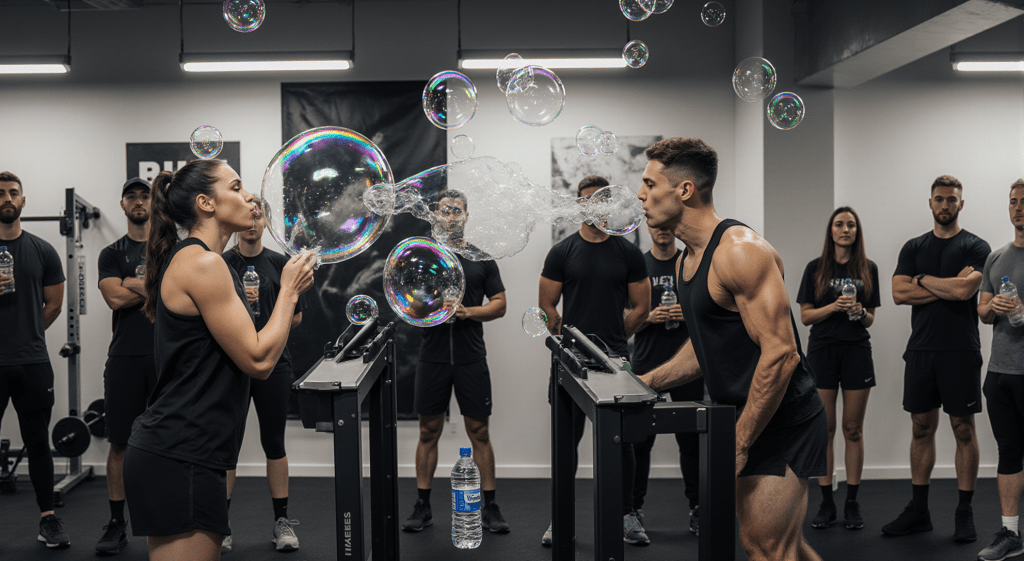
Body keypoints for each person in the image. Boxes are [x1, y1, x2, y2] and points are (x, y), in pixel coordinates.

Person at [635, 137, 827, 561]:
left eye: (650, 184)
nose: (640, 194)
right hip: (748, 416)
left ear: (685, 191)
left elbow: (782, 353)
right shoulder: (690, 258)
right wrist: (645, 381)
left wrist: (740, 442)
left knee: (766, 547)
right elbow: (706, 347)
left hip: (782, 420)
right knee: (783, 547)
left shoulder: (739, 252)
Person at [122, 160, 314, 561]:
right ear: (206, 203)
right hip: (180, 450)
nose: (249, 197)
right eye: (237, 187)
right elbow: (259, 359)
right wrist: (289, 291)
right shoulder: (205, 264)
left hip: (189, 450)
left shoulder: (200, 260)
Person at [539, 175, 651, 546]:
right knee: (565, 445)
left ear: (607, 204)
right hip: (569, 362)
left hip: (615, 361)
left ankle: (626, 515)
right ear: (579, 205)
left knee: (624, 443)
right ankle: (561, 519)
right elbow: (546, 304)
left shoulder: (628, 252)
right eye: (585, 200)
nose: (592, 206)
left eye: (598, 200)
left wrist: (614, 343)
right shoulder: (562, 252)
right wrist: (566, 340)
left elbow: (642, 308)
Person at [884, 175, 990, 542]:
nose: (945, 205)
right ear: (930, 203)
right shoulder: (913, 246)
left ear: (961, 204)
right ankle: (919, 510)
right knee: (920, 427)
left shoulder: (977, 246)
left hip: (961, 349)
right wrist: (946, 285)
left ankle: (965, 511)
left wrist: (924, 279)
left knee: (963, 428)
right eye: (939, 199)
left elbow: (965, 291)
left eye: (952, 199)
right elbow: (898, 293)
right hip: (921, 349)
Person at [402, 190, 510, 535]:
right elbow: (407, 306)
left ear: (466, 215)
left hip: (469, 357)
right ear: (436, 215)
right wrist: (431, 311)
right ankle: (423, 505)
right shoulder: (424, 257)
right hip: (432, 357)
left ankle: (489, 506)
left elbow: (500, 304)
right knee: (427, 431)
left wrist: (467, 312)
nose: (451, 215)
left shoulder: (480, 258)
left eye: (457, 210)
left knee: (479, 432)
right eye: (445, 210)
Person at [221, 199, 304, 553]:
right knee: (226, 448)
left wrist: (272, 321)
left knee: (275, 443)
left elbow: (297, 316)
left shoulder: (280, 264)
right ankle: (220, 525)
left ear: (267, 220)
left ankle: (281, 522)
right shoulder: (221, 264)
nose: (252, 222)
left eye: (259, 216)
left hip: (274, 364)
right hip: (231, 364)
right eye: (248, 215)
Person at [796, 207, 880, 531]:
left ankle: (852, 503)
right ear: (830, 231)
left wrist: (859, 312)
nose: (845, 229)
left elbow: (871, 317)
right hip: (823, 351)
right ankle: (827, 503)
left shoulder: (867, 268)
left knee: (853, 429)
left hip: (857, 350)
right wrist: (834, 306)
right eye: (839, 224)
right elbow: (805, 316)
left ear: (857, 232)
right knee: (825, 429)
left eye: (851, 225)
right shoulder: (815, 268)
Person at [0, 171, 68, 549]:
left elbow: (54, 303)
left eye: (13, 193)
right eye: (1, 194)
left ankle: (48, 519)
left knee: (38, 441)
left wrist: (27, 332)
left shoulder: (43, 250)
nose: (7, 198)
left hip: (31, 361)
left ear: (23, 201)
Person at [94, 177, 156, 555]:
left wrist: (132, 283)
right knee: (119, 442)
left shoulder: (169, 248)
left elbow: (168, 290)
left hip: (167, 357)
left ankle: (165, 518)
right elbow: (114, 299)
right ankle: (117, 523)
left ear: (154, 203)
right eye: (131, 196)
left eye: (144, 195)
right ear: (122, 205)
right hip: (124, 358)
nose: (138, 201)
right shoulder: (110, 252)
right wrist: (146, 284)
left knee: (168, 440)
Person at [630, 224, 702, 535]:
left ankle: (698, 508)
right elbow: (624, 315)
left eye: (666, 227)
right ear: (649, 228)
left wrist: (685, 314)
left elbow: (707, 308)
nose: (661, 231)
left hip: (688, 364)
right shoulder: (639, 265)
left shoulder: (690, 262)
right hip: (647, 362)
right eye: (655, 227)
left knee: (691, 442)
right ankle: (633, 510)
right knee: (640, 441)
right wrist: (649, 316)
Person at [975, 179, 1024, 561]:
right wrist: (994, 309)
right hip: (1000, 372)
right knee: (1008, 452)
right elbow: (982, 308)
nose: (1018, 208)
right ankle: (1011, 534)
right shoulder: (995, 257)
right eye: (1013, 202)